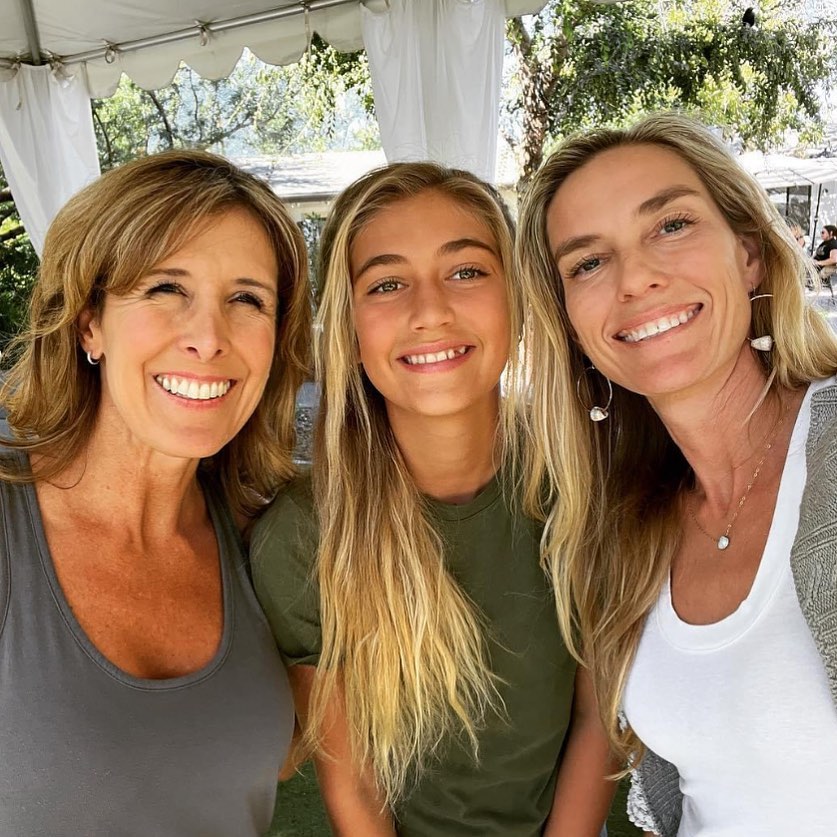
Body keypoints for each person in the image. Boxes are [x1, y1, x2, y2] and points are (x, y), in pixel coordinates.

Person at [252, 162, 616, 836]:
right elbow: (354, 781)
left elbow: (598, 717)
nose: (430, 312)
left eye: (467, 271)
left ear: (517, 298)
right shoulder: (305, 534)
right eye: (386, 284)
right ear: (348, 326)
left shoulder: (586, 480)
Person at [516, 113, 837, 836]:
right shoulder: (625, 526)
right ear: (569, 322)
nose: (635, 279)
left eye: (670, 225)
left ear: (748, 253)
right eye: (587, 263)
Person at [0, 150, 312, 835]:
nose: (208, 337)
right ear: (89, 322)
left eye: (247, 299)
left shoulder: (267, 532)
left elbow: (270, 753)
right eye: (167, 288)